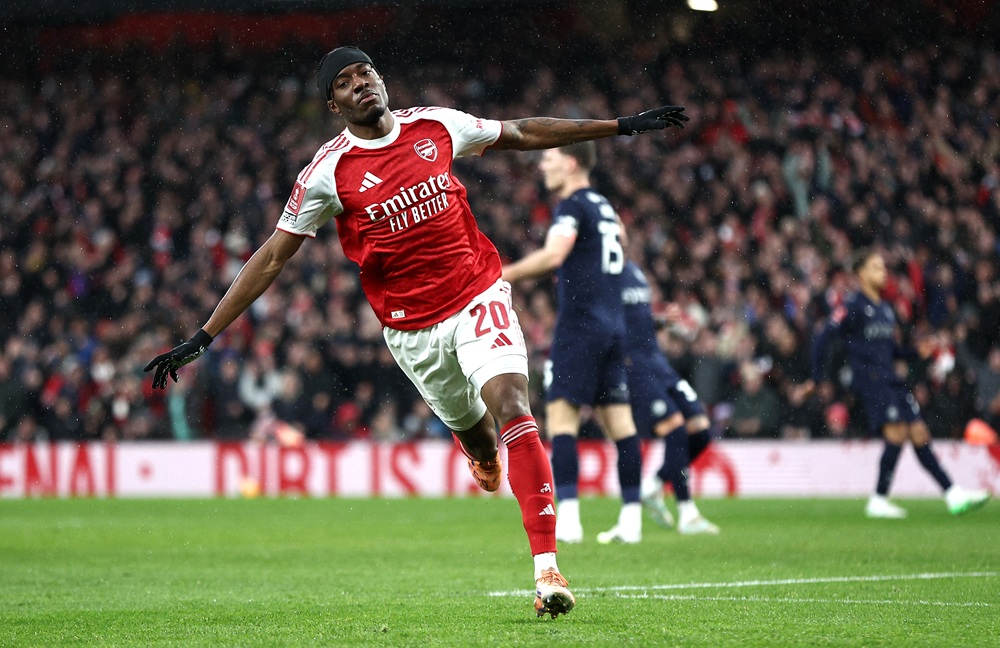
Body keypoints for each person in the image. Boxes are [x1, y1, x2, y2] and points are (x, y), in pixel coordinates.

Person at [143, 45, 689, 619]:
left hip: (478, 292)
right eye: (345, 82)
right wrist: (204, 336)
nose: (361, 84)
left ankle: (547, 569)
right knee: (481, 440)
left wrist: (619, 126)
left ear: (381, 81)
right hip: (412, 330)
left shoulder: (436, 125)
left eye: (366, 73)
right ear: (334, 105)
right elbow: (274, 256)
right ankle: (479, 452)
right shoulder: (327, 172)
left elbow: (523, 131)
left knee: (513, 405)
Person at [502, 142, 644, 545]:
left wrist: (501, 275)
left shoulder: (572, 206)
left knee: (562, 419)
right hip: (613, 325)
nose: (542, 165)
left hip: (580, 326)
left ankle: (569, 519)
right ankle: (631, 520)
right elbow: (622, 246)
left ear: (570, 162)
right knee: (621, 424)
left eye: (548, 158)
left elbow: (553, 256)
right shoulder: (604, 206)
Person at [810, 248, 990, 518]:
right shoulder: (853, 305)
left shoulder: (885, 309)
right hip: (871, 381)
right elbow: (823, 338)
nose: (883, 272)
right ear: (860, 274)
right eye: (876, 267)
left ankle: (953, 495)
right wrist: (818, 377)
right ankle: (879, 500)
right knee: (897, 433)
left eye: (883, 267)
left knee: (919, 433)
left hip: (891, 378)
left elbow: (891, 350)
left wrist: (916, 352)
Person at [620, 261, 720, 535]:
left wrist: (662, 321)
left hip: (658, 362)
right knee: (675, 429)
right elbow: (609, 322)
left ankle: (654, 484)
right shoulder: (603, 272)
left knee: (701, 431)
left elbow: (638, 322)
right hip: (635, 367)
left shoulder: (636, 272)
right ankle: (687, 513)